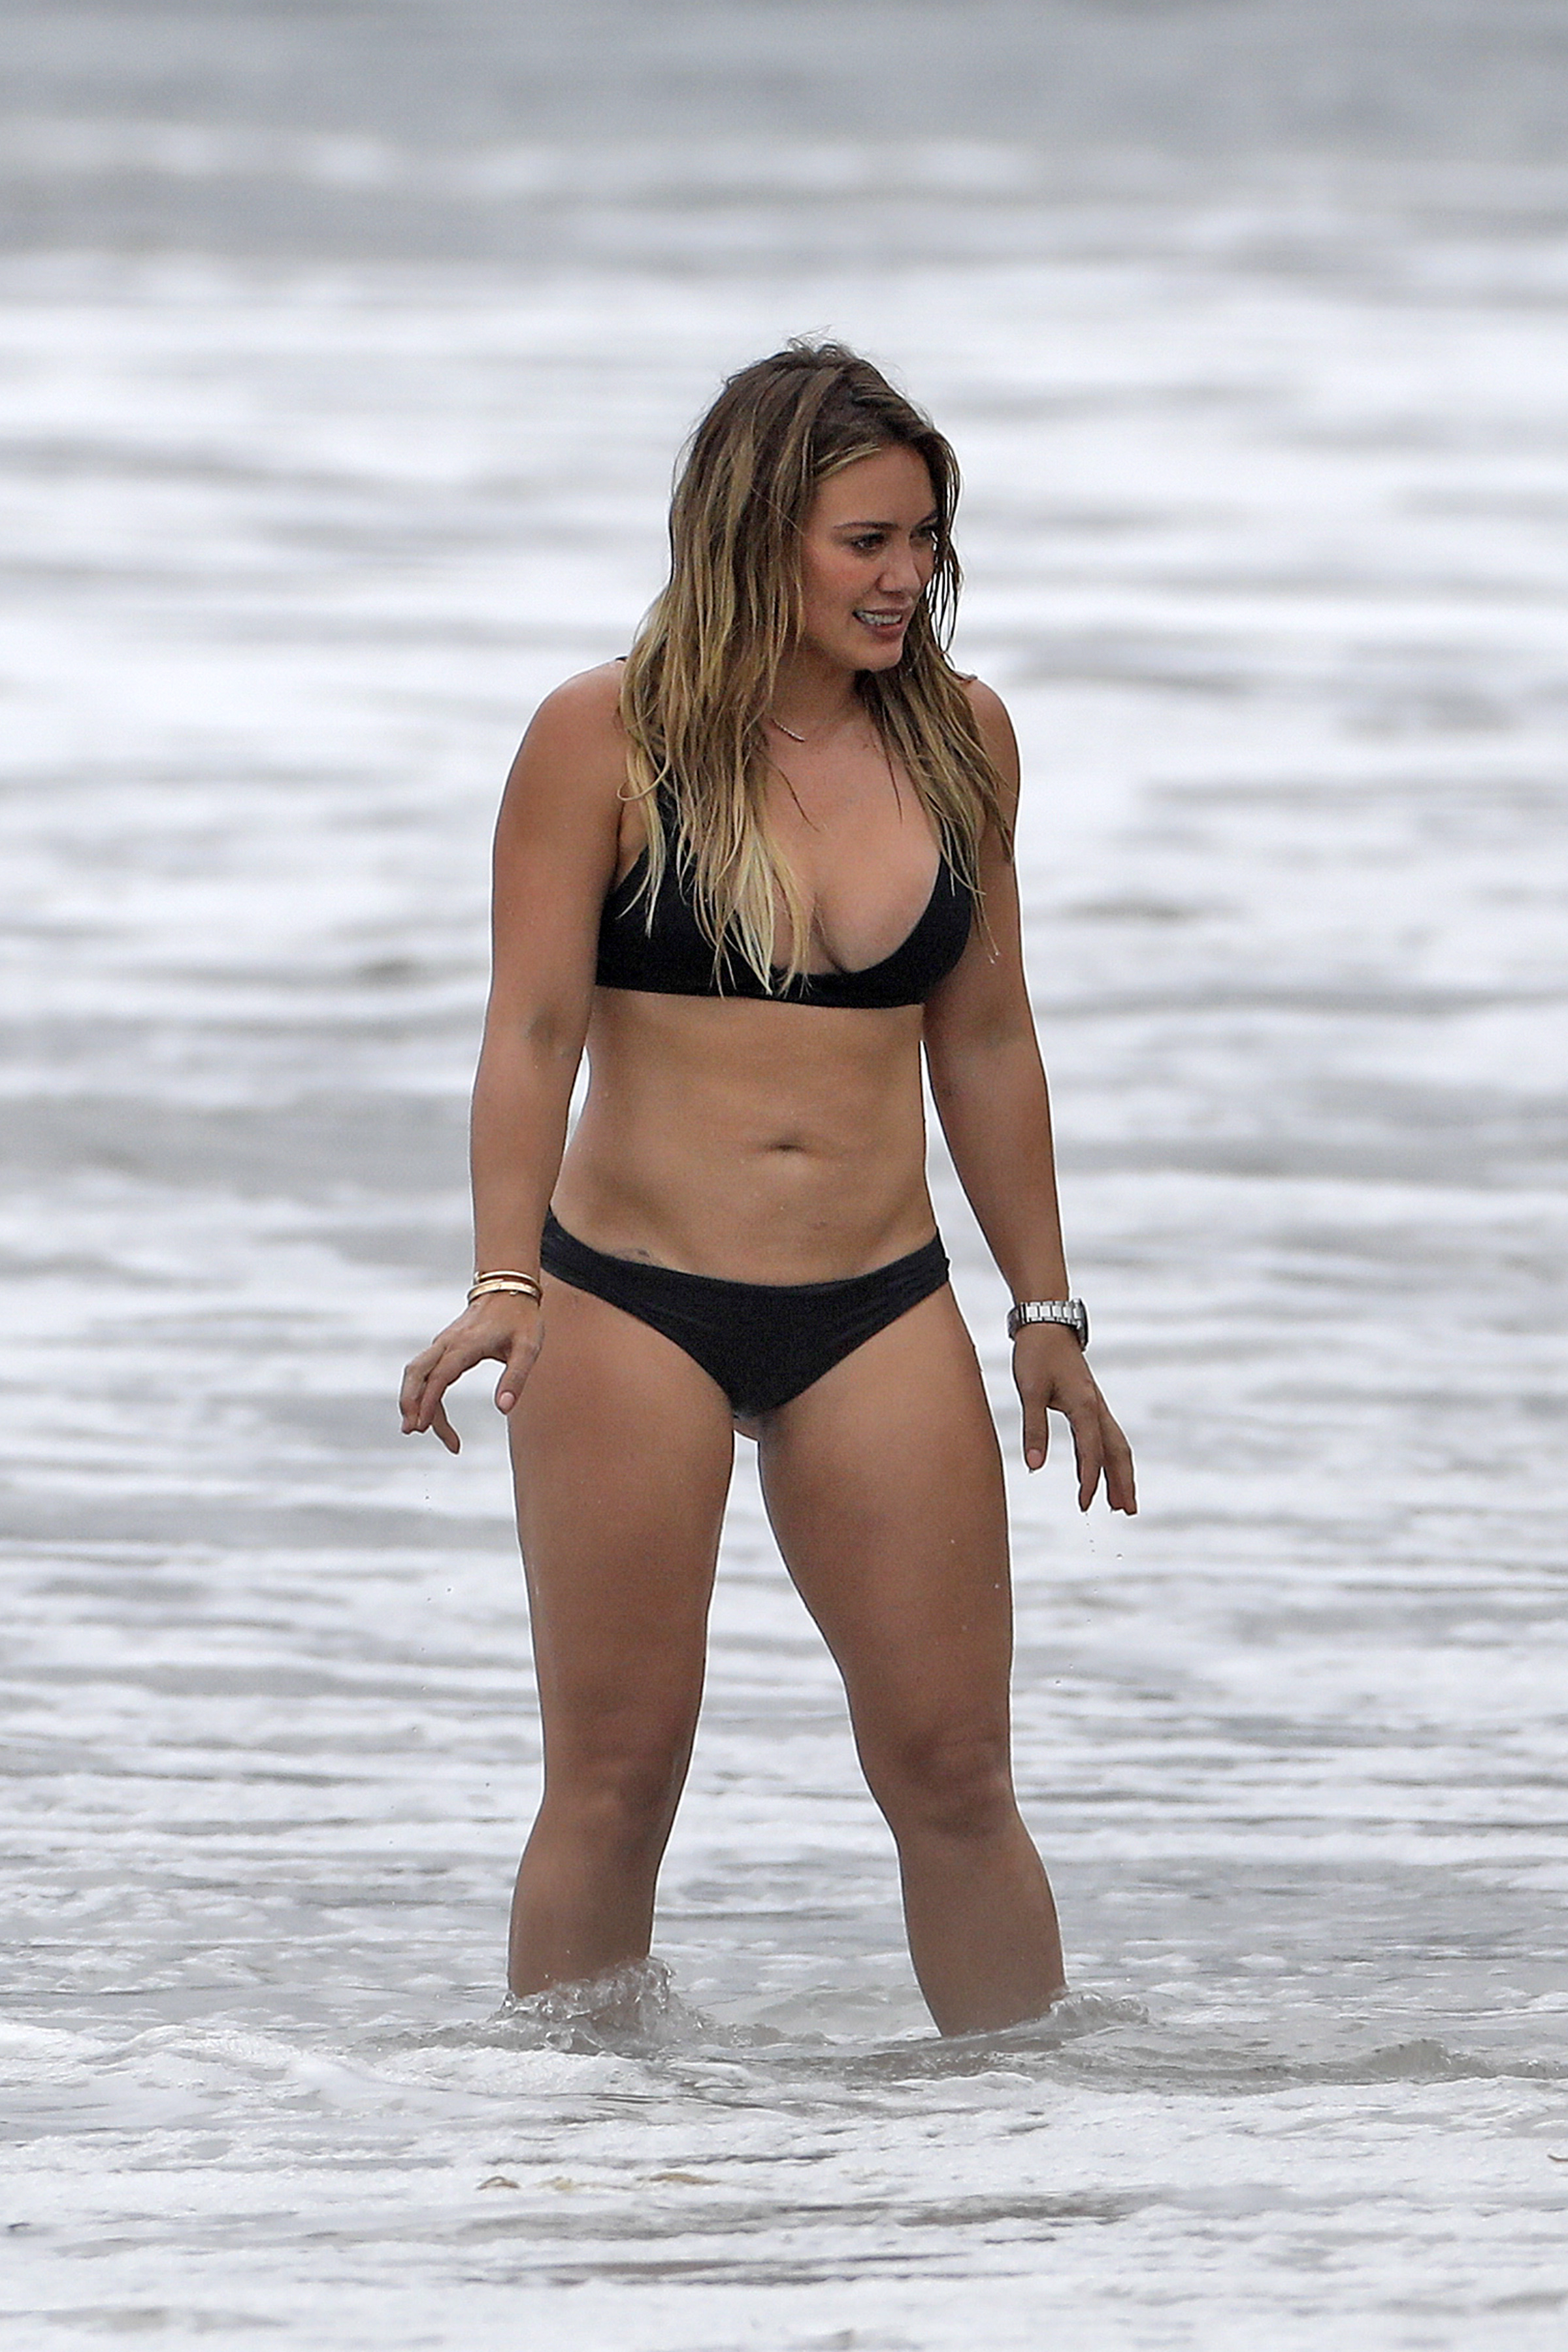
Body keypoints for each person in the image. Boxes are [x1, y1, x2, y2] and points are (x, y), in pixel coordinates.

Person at [399, 342, 1136, 2037]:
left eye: (924, 539)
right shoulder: (603, 736)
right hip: (630, 1297)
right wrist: (505, 1278)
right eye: (865, 541)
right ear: (756, 536)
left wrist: (1043, 1306)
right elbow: (530, 1028)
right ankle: (575, 2135)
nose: (906, 577)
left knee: (956, 1768)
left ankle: (1035, 2136)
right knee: (617, 1772)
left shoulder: (963, 738)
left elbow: (990, 1040)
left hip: (874, 1303)